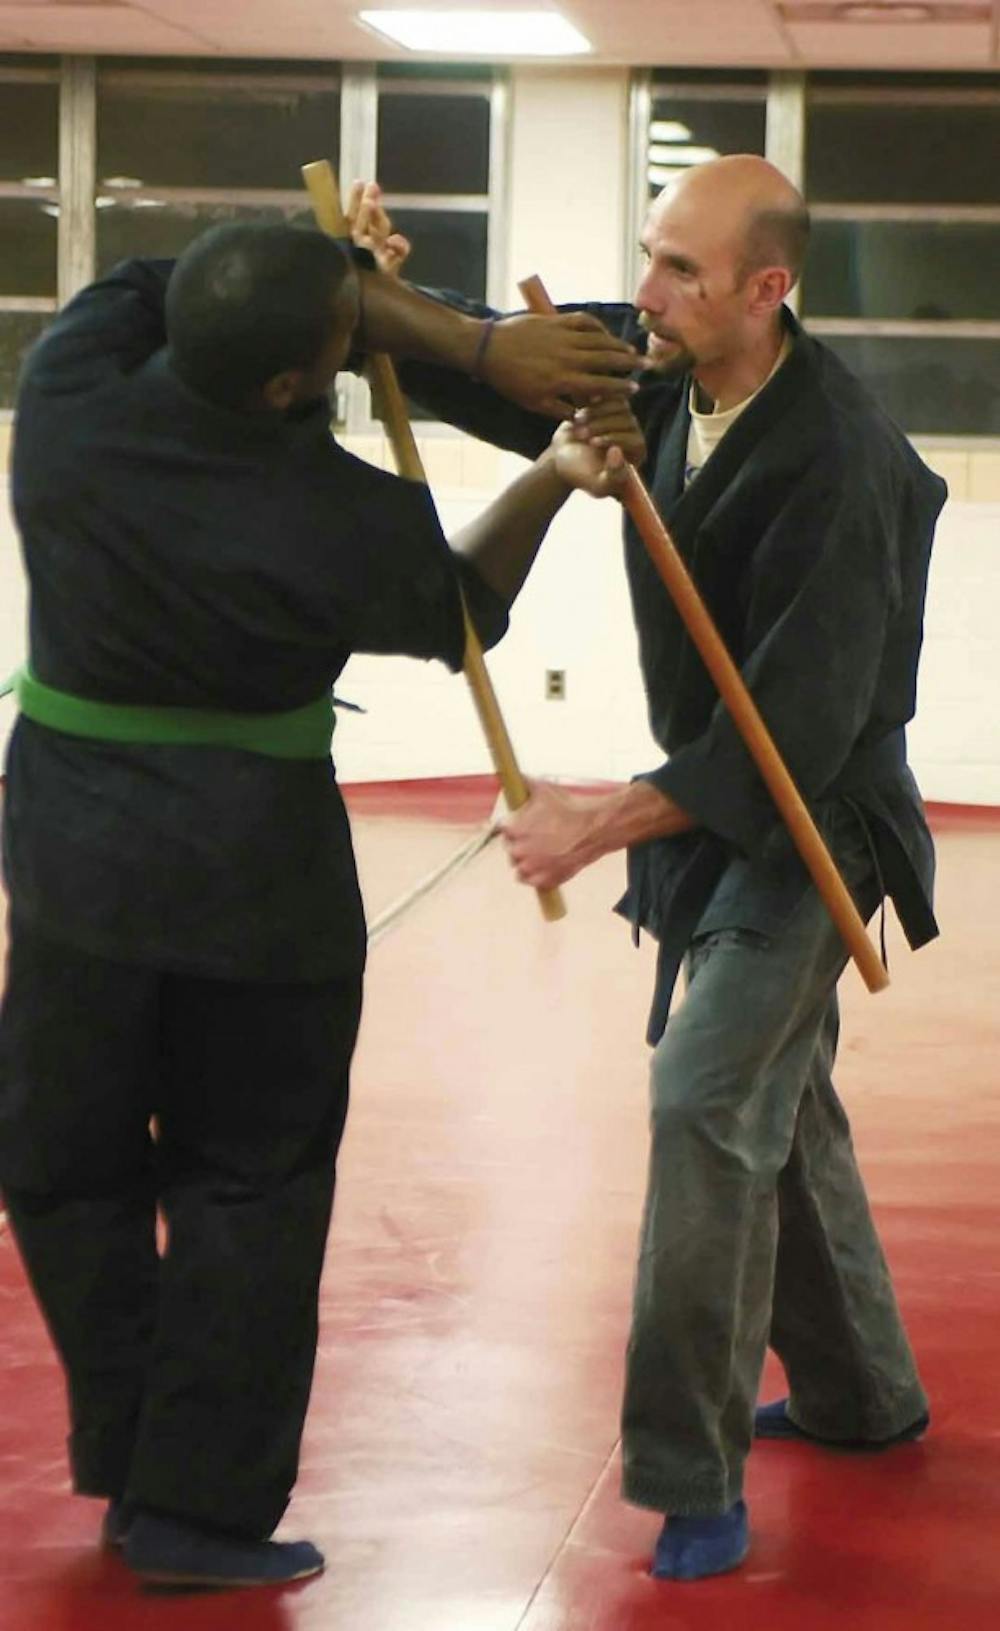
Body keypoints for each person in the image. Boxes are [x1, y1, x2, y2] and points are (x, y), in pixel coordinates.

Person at [0, 221, 642, 1589]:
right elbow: (460, 605)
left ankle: (126, 1446)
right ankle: (191, 1508)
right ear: (296, 389)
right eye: (344, 346)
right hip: (252, 879)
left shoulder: (63, 403)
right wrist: (553, 469)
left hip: (72, 859)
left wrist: (373, 297)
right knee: (250, 1184)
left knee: (70, 1167)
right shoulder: (338, 517)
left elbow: (151, 278)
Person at [352, 156, 945, 1581]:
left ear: (769, 288)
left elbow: (794, 738)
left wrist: (596, 818)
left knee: (703, 1093)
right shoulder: (655, 367)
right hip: (725, 799)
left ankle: (691, 1476)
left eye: (681, 271)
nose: (650, 293)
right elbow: (496, 371)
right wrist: (378, 296)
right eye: (649, 256)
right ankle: (866, 1394)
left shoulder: (841, 467)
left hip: (816, 825)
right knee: (773, 1098)